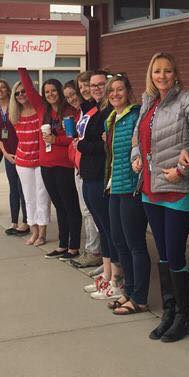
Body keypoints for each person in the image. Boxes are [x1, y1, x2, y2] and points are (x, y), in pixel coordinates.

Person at [131, 52, 189, 343]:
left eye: (167, 71)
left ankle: (183, 317)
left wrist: (182, 170)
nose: (161, 76)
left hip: (177, 189)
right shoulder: (148, 103)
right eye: (156, 71)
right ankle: (169, 312)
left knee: (175, 254)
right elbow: (139, 141)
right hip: (151, 190)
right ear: (150, 74)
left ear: (175, 73)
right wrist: (136, 158)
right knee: (163, 254)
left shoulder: (187, 100)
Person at [18, 68, 82, 260]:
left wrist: (56, 140)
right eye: (47, 92)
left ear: (60, 92)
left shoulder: (70, 111)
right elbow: (29, 89)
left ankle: (74, 246)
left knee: (70, 206)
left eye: (54, 90)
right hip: (45, 164)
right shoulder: (42, 110)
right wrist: (21, 67)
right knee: (59, 206)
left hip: (64, 164)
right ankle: (62, 245)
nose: (51, 94)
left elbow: (73, 138)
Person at [100, 74, 149, 312]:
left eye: (120, 90)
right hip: (114, 186)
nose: (115, 94)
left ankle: (139, 297)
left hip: (131, 187)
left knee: (135, 244)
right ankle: (128, 290)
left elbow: (140, 146)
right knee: (119, 242)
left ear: (128, 91)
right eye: (111, 90)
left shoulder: (135, 115)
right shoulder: (111, 118)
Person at [76, 71, 118, 281]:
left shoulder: (109, 111)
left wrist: (82, 145)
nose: (95, 88)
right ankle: (107, 269)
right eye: (92, 85)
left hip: (101, 175)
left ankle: (114, 276)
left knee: (108, 227)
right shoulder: (92, 109)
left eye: (101, 84)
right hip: (88, 173)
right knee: (101, 226)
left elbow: (104, 145)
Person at [64, 79, 101, 268]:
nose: (72, 98)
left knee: (91, 213)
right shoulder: (81, 113)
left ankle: (95, 250)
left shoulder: (95, 111)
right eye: (69, 96)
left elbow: (96, 144)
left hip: (93, 170)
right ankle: (93, 249)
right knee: (87, 211)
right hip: (80, 167)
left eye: (74, 93)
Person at [9, 78, 50, 246]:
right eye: (17, 93)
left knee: (42, 196)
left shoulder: (39, 110)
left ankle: (42, 233)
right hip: (22, 161)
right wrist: (6, 153)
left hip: (39, 160)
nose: (20, 95)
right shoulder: (14, 115)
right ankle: (33, 231)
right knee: (28, 197)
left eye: (23, 91)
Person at [0, 79, 27, 228]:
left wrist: (19, 153)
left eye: (2, 87)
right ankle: (14, 221)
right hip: (9, 155)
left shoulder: (17, 107)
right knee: (13, 188)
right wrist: (5, 153)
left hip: (22, 152)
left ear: (8, 90)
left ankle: (26, 221)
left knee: (23, 187)